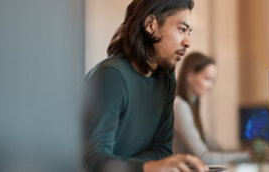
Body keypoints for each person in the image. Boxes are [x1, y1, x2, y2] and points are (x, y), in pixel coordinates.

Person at [82, 0, 209, 172]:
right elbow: (92, 159)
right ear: (151, 25)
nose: (187, 42)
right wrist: (146, 167)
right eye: (181, 29)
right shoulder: (111, 75)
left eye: (189, 32)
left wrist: (142, 167)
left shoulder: (166, 79)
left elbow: (162, 150)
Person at [172, 52, 250, 165]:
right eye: (207, 79)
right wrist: (247, 156)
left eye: (212, 81)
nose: (210, 87)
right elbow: (203, 157)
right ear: (190, 76)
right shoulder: (179, 106)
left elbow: (213, 147)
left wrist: (244, 153)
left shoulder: (192, 106)